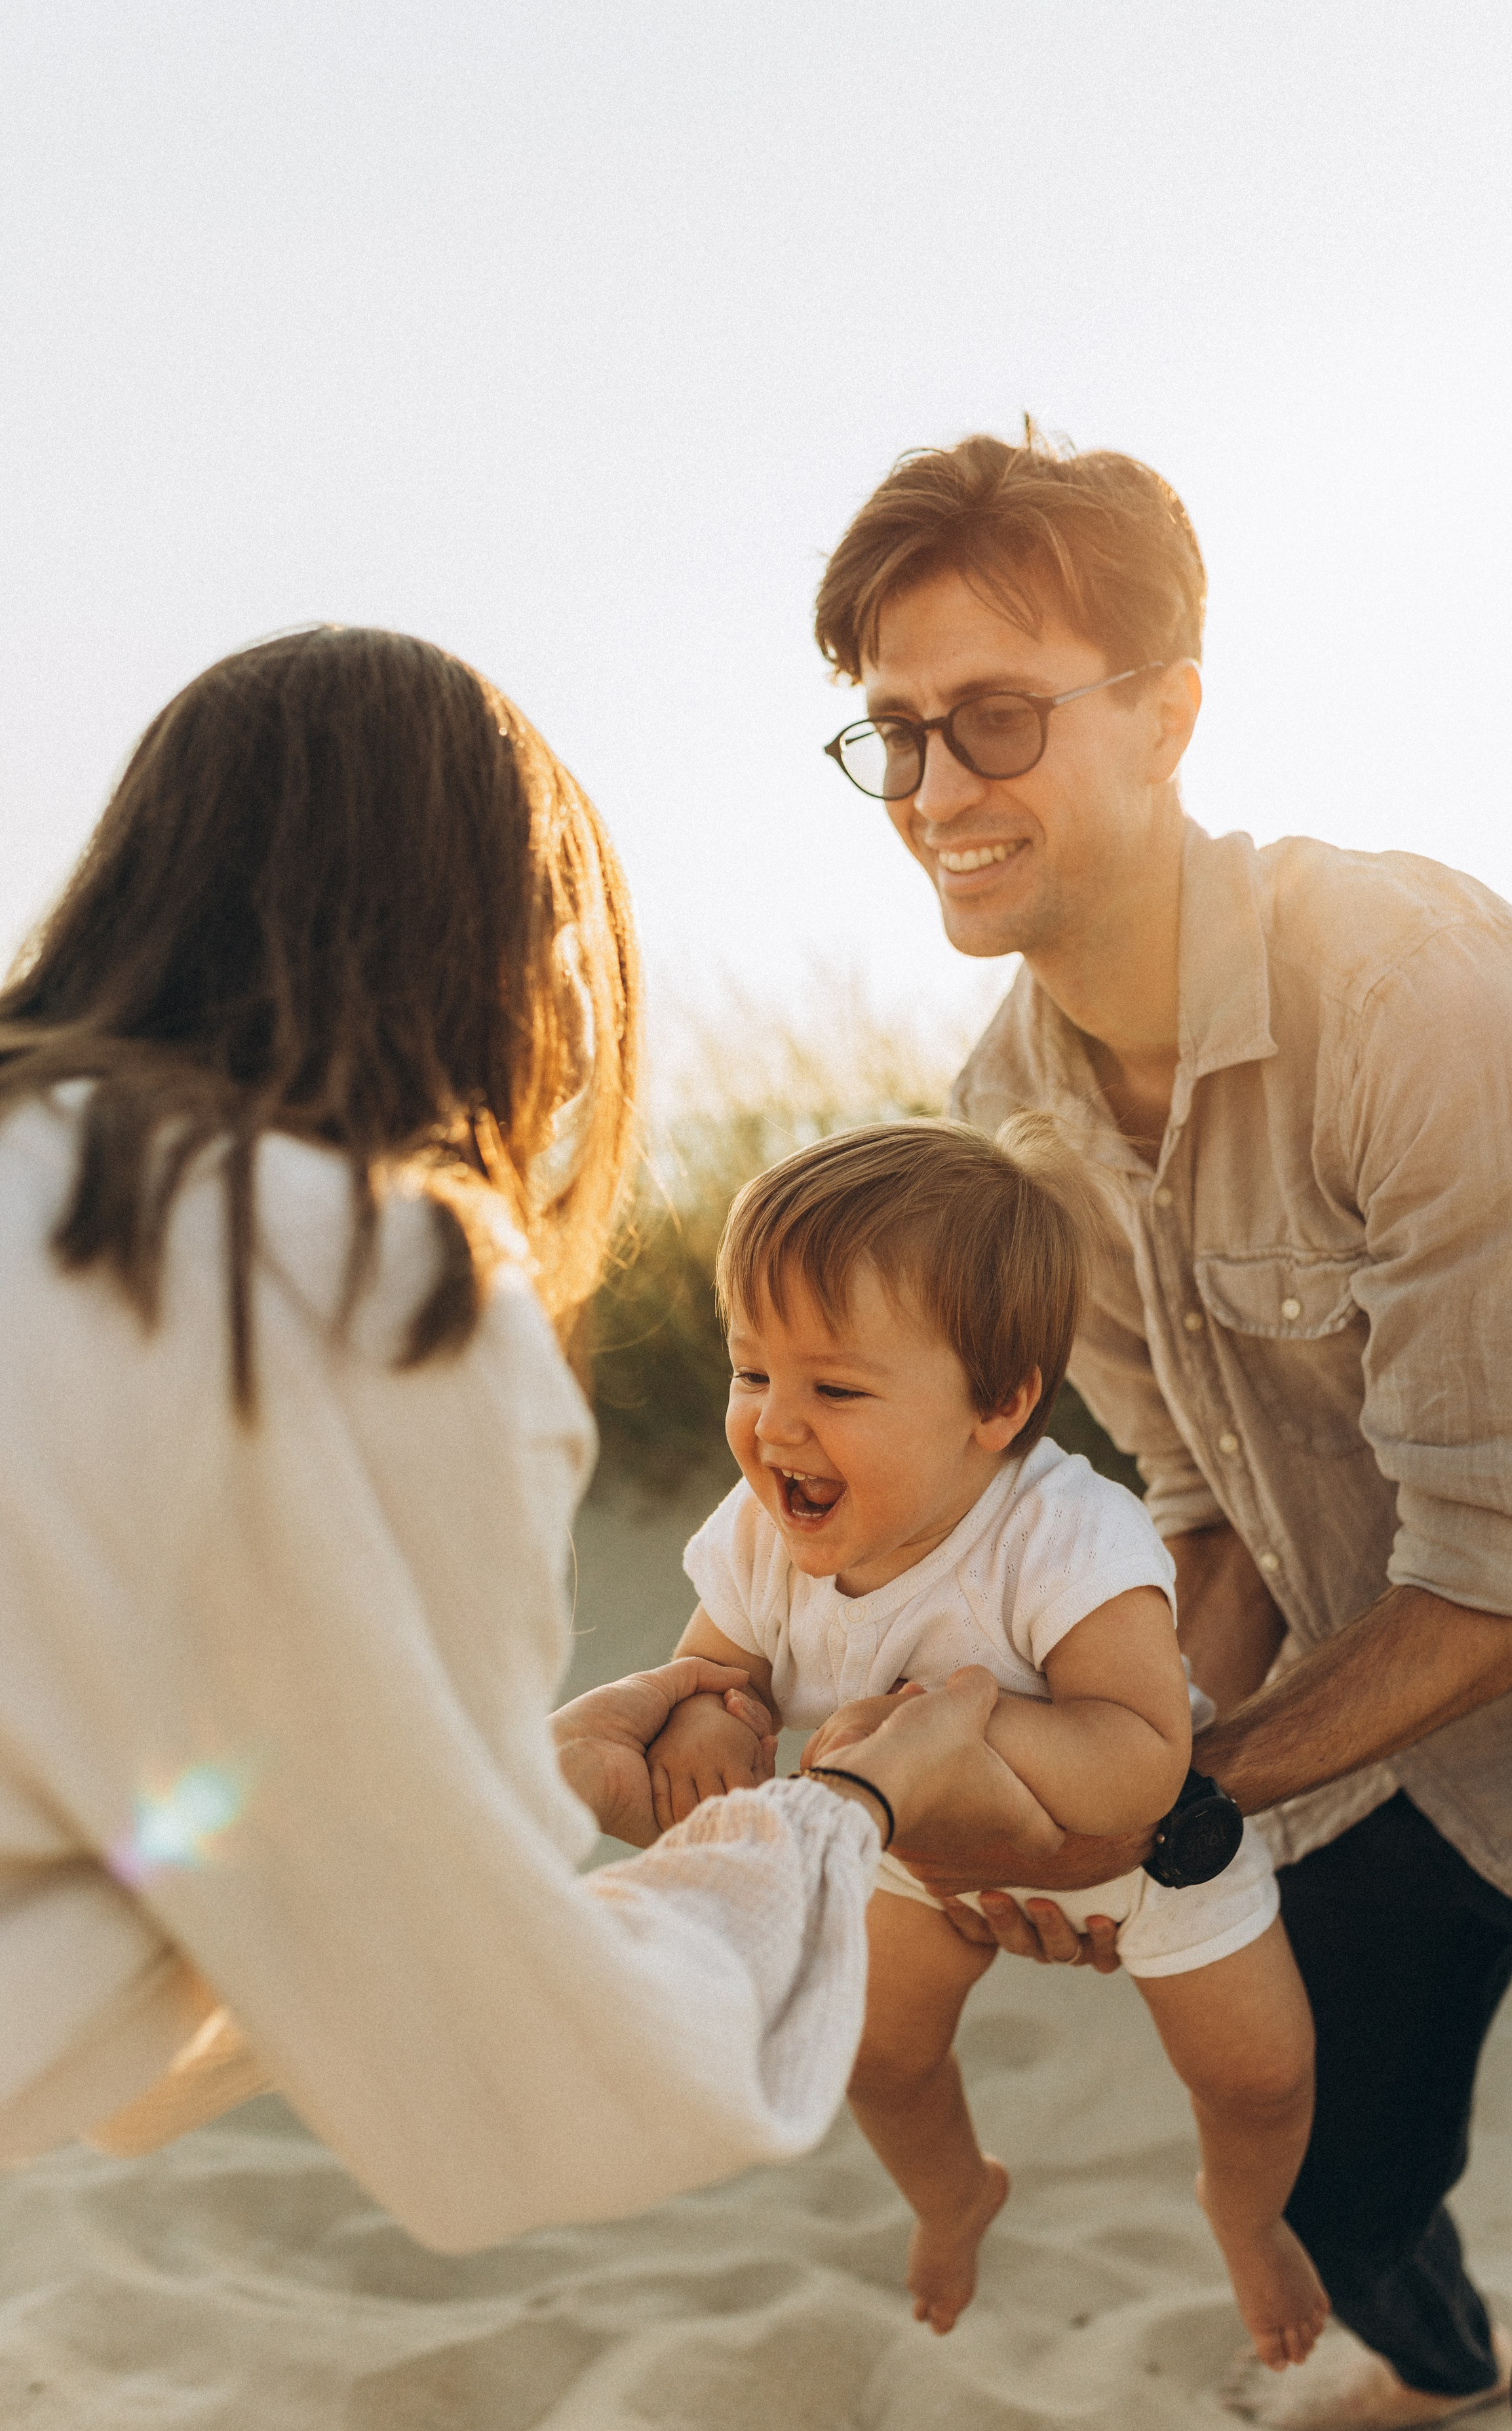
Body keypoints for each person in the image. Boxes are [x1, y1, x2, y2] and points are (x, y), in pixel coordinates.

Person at [809, 429, 1512, 2431]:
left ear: (1170, 709)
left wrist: (1152, 1801)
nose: (938, 796)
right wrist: (1116, 1744)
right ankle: (1424, 2358)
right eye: (896, 738)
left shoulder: (1419, 999)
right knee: (1324, 2163)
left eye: (995, 721)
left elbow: (1502, 1575)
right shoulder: (1008, 1113)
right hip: (1403, 1717)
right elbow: (1215, 1522)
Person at [0, 625, 1062, 2239]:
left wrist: (518, 1782)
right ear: (534, 955)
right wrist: (838, 1817)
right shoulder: (371, 1269)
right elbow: (515, 2093)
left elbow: (128, 1853)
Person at [648, 1116, 1328, 2360]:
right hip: (917, 1837)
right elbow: (716, 1663)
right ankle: (955, 2190)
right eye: (753, 1373)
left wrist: (968, 1724)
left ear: (998, 1405)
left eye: (836, 1387)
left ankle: (1243, 2215)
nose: (776, 1428)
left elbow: (1142, 1750)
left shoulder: (1071, 1538)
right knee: (874, 2053)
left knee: (1260, 2078)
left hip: (1147, 1854)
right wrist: (705, 1709)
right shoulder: (763, 1534)